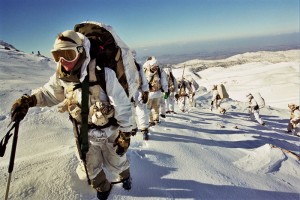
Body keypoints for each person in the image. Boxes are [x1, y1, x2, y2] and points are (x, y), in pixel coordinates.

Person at [10, 30, 133, 200]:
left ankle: (124, 175)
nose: (63, 61)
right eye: (57, 56)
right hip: (84, 134)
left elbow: (122, 105)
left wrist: (125, 133)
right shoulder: (62, 77)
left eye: (68, 54)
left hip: (110, 130)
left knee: (117, 160)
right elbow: (48, 94)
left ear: (81, 51)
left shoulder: (103, 74)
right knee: (89, 167)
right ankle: (102, 186)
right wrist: (29, 101)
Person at [143, 56, 168, 126]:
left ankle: (150, 120)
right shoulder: (159, 70)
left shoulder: (144, 69)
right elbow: (164, 81)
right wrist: (165, 90)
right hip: (157, 92)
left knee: (148, 108)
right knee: (156, 107)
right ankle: (156, 119)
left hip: (148, 93)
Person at [131, 56, 150, 140]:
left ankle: (144, 129)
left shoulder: (138, 66)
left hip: (138, 92)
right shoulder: (122, 65)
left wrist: (145, 91)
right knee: (130, 112)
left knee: (141, 111)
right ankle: (133, 127)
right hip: (128, 93)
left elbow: (144, 80)